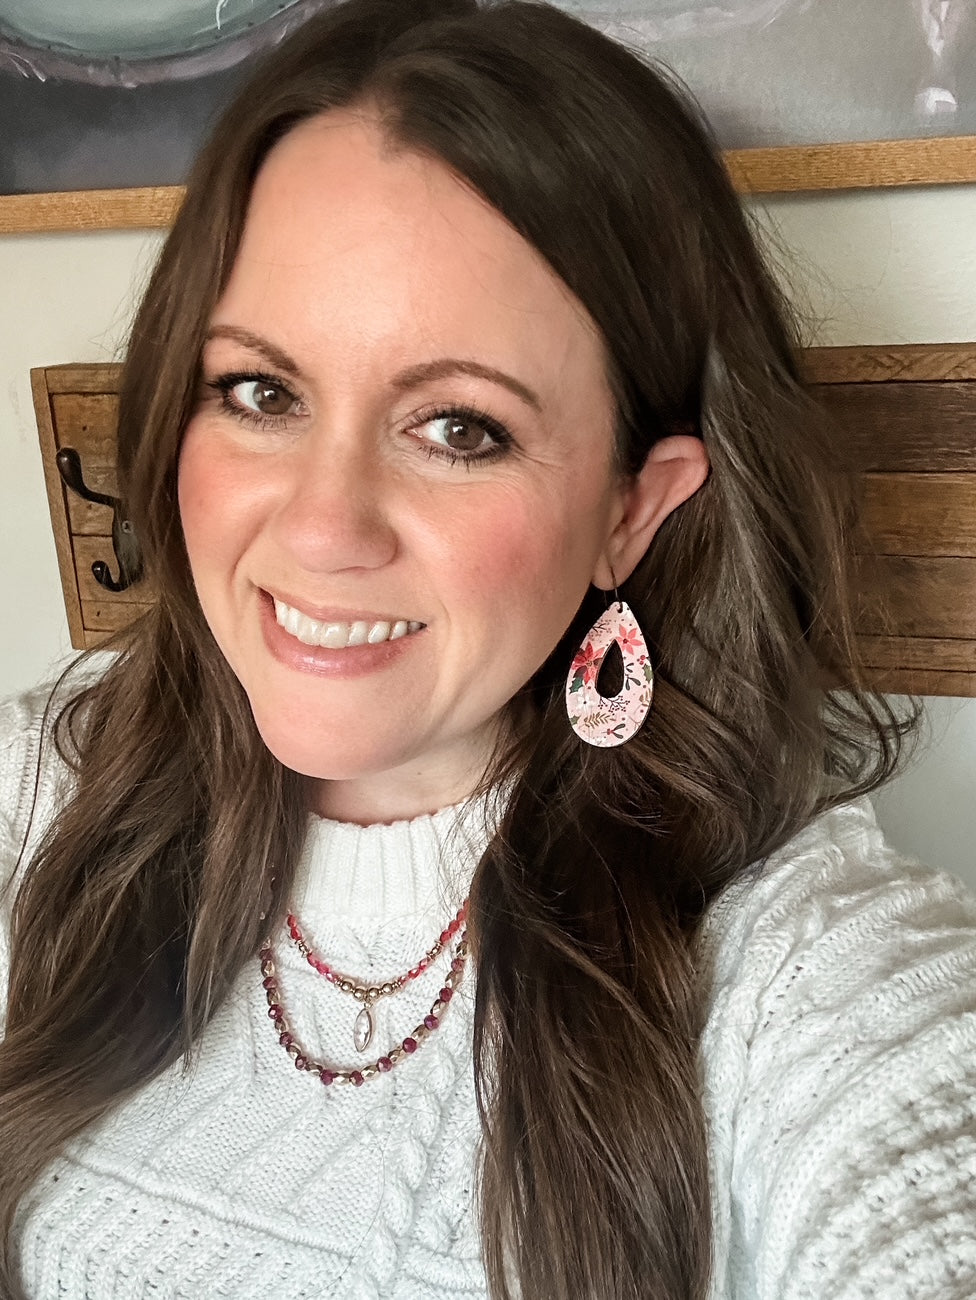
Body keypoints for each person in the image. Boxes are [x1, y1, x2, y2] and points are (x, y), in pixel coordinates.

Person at [2, 0, 975, 1296]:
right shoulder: (40, 804)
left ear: (633, 509)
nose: (324, 527)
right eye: (261, 393)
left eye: (459, 428)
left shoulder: (796, 979)